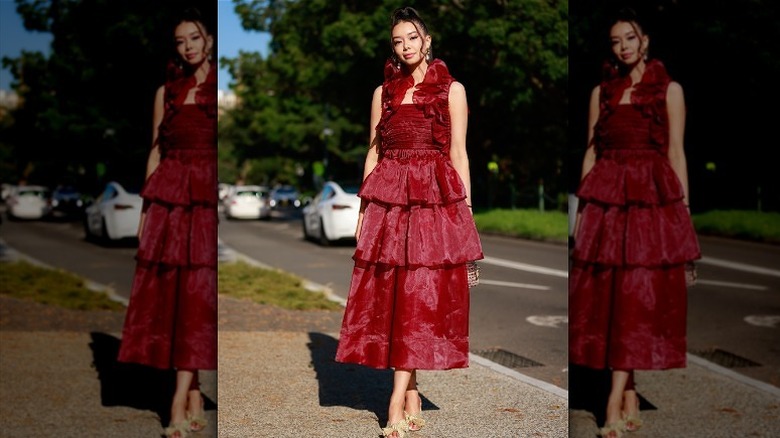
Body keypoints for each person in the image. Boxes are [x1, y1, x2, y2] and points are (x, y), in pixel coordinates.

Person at [334, 6, 483, 438]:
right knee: (395, 299)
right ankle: (413, 393)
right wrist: (364, 211)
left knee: (418, 299)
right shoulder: (382, 92)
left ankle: (395, 401)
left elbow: (459, 154)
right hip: (389, 205)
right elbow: (373, 153)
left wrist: (466, 215)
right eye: (397, 41)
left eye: (412, 38)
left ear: (427, 40)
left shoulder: (453, 89)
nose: (405, 47)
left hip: (433, 205)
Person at [569, 7, 701, 438]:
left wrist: (683, 219)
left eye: (630, 38)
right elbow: (591, 151)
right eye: (615, 41)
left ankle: (612, 400)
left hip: (649, 206)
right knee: (611, 299)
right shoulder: (601, 92)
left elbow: (676, 154)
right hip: (607, 205)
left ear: (645, 41)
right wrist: (582, 214)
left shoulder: (670, 90)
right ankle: (628, 395)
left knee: (635, 299)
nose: (623, 47)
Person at [117, 8, 217, 438]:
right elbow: (155, 151)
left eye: (193, 37)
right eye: (179, 41)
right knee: (173, 297)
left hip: (205, 204)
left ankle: (178, 400)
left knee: (197, 299)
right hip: (170, 202)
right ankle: (192, 395)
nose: (187, 46)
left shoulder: (219, 86)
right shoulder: (166, 91)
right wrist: (145, 212)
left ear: (209, 40)